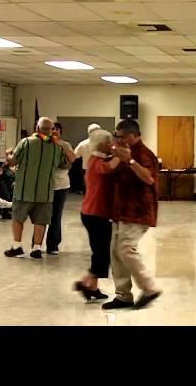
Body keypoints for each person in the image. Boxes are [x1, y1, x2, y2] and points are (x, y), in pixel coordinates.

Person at [102, 119, 162, 310]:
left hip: (138, 210)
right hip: (121, 210)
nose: (117, 139)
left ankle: (149, 288)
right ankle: (123, 295)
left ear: (132, 136)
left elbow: (149, 178)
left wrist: (130, 161)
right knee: (116, 252)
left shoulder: (143, 154)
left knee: (126, 248)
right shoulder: (121, 152)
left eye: (120, 136)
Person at [3, 117, 68, 259]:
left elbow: (13, 162)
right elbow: (64, 164)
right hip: (45, 192)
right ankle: (37, 248)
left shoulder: (26, 142)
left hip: (24, 190)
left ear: (37, 128)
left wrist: (8, 154)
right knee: (41, 221)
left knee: (18, 218)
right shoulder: (57, 147)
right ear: (51, 130)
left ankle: (17, 246)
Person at [73, 129, 121, 301]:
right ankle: (85, 282)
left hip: (94, 213)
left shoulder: (97, 159)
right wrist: (123, 155)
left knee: (100, 252)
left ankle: (92, 287)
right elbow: (107, 168)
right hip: (95, 214)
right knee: (102, 253)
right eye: (110, 143)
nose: (112, 146)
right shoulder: (96, 161)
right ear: (102, 144)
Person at [45, 122, 76, 255]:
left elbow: (71, 161)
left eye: (56, 129)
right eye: (51, 129)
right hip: (45, 184)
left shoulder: (65, 144)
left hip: (61, 184)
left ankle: (53, 245)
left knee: (56, 216)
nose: (54, 131)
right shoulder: (44, 144)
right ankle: (37, 244)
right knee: (42, 215)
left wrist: (60, 145)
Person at [74, 123, 101, 193]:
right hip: (100, 170)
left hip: (87, 170)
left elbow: (75, 156)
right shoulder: (104, 143)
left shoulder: (82, 144)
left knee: (88, 192)